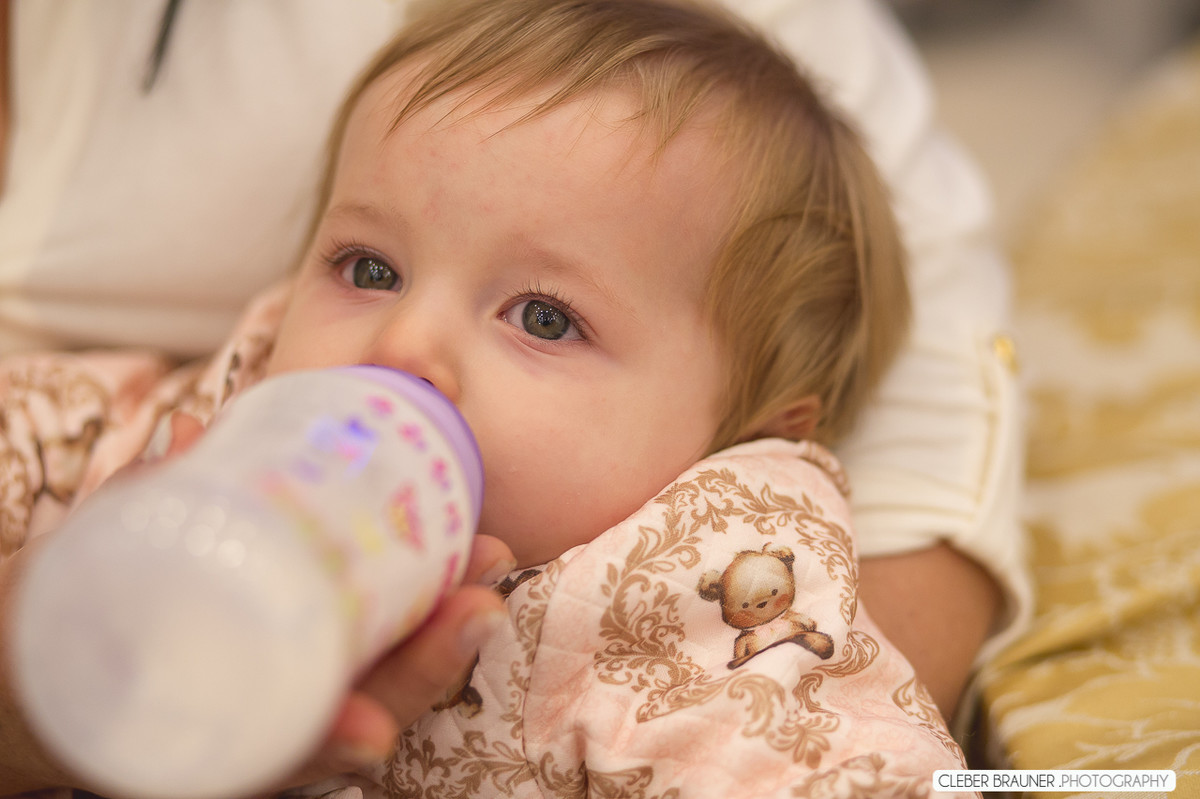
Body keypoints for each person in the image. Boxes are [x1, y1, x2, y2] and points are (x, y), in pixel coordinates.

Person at [0, 0, 1028, 779]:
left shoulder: (698, 588)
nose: (401, 344)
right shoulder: (222, 418)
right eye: (368, 268)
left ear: (742, 437)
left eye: (543, 318)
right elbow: (40, 433)